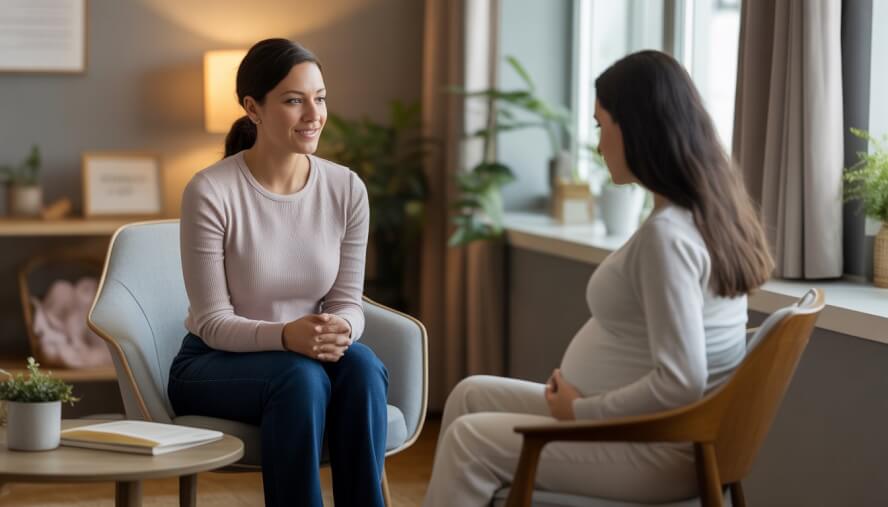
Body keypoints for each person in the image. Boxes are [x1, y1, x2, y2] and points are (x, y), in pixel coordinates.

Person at [422, 50, 775, 506]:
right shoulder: (702, 216)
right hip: (651, 436)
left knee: (471, 439)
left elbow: (681, 381)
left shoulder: (669, 238)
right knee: (471, 396)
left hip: (653, 451)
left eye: (600, 124)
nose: (598, 142)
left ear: (634, 128)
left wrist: (580, 410)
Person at [168, 38, 387, 507]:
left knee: (364, 366)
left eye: (320, 97)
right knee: (299, 378)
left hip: (306, 355)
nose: (314, 114)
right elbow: (212, 322)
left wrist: (342, 327)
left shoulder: (346, 188)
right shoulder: (210, 191)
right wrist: (288, 335)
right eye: (293, 100)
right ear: (254, 108)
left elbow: (349, 299)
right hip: (213, 363)